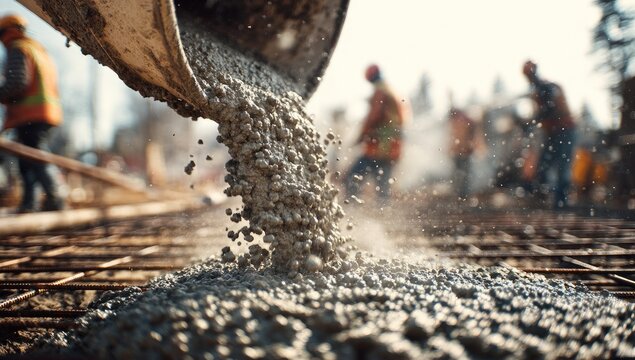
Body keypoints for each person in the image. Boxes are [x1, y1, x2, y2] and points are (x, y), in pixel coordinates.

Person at [0, 14, 65, 212]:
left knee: (35, 157)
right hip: (46, 112)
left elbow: (17, 83)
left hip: (30, 114)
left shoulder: (18, 48)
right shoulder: (38, 50)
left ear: (8, 32)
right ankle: (30, 203)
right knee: (28, 160)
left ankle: (56, 197)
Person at [345, 64, 408, 204]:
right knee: (383, 185)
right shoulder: (391, 91)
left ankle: (351, 209)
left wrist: (361, 136)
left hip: (380, 146)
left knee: (353, 176)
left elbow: (374, 117)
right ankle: (383, 215)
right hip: (392, 146)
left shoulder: (380, 92)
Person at [522, 60, 576, 208]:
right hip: (552, 131)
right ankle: (543, 197)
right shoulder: (539, 90)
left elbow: (550, 110)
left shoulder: (548, 88)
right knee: (544, 163)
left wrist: (535, 120)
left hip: (565, 130)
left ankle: (561, 201)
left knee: (562, 165)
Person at [448, 106, 477, 199]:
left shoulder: (461, 121)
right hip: (463, 151)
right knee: (462, 173)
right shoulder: (466, 120)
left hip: (463, 151)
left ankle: (461, 193)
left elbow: (455, 137)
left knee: (461, 173)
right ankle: (461, 193)